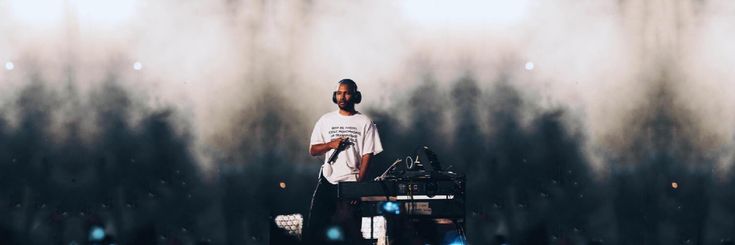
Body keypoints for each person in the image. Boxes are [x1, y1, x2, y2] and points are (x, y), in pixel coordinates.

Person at [305, 79, 383, 244]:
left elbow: (367, 156)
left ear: (355, 96)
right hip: (327, 182)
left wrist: (358, 187)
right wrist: (330, 144)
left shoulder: (365, 123)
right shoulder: (325, 120)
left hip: (350, 184)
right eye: (339, 93)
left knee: (351, 233)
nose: (342, 97)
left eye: (347, 93)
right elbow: (313, 150)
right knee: (314, 231)